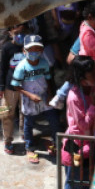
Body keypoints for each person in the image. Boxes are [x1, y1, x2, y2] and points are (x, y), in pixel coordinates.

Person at [61, 56, 95, 189]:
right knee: (73, 181)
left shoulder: (94, 87)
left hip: (89, 144)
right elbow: (84, 126)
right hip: (76, 144)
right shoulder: (74, 97)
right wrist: (94, 105)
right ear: (81, 76)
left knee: (86, 180)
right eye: (92, 73)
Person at [10, 35, 57, 163]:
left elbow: (48, 79)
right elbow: (15, 86)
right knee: (29, 124)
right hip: (28, 99)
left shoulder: (44, 63)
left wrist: (50, 94)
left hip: (44, 96)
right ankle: (30, 148)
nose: (34, 52)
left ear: (41, 51)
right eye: (31, 49)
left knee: (53, 119)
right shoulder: (21, 67)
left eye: (37, 49)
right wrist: (29, 95)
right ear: (24, 51)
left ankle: (55, 143)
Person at [0, 22, 31, 154]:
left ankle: (25, 134)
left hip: (26, 86)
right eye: (16, 33)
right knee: (7, 114)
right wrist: (0, 87)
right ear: (10, 32)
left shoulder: (29, 47)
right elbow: (3, 69)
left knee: (25, 112)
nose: (19, 36)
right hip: (10, 87)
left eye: (22, 33)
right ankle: (8, 140)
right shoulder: (6, 48)